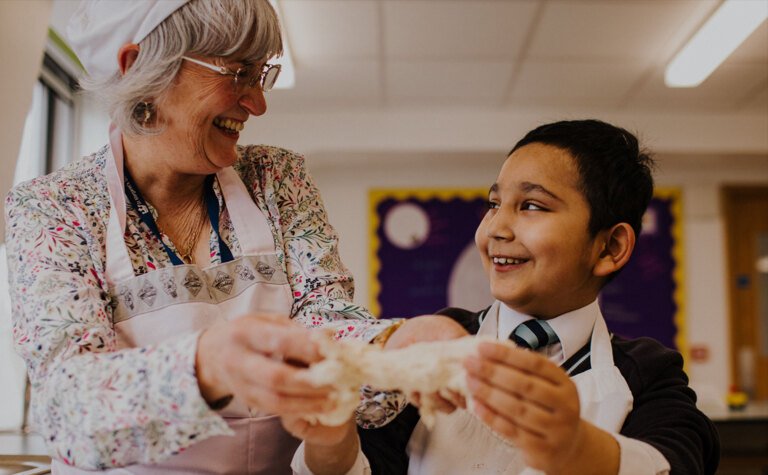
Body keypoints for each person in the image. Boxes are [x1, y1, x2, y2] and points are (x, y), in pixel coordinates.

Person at [4, 1, 456, 473]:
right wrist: (207, 365)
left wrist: (397, 347)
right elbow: (69, 409)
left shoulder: (277, 180)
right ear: (136, 65)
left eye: (262, 75)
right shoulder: (55, 207)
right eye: (237, 72)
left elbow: (326, 327)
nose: (258, 103)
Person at [296, 120, 720, 474]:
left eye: (533, 206)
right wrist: (331, 439)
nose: (496, 228)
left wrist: (575, 446)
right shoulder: (434, 342)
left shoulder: (648, 371)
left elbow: (678, 459)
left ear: (610, 248)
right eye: (494, 203)